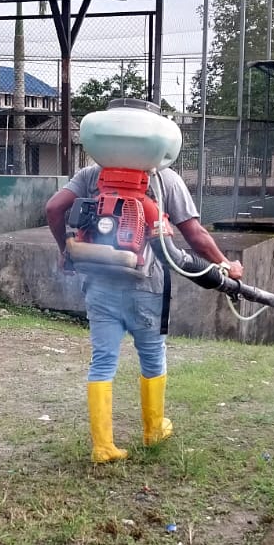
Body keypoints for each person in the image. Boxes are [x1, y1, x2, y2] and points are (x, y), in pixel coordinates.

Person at [45, 148, 243, 463]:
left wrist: (63, 250)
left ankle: (103, 446)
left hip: (99, 284)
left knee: (102, 360)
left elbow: (54, 208)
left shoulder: (91, 175)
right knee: (152, 357)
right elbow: (194, 234)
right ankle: (153, 430)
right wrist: (225, 264)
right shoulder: (165, 179)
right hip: (147, 286)